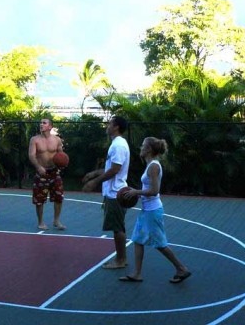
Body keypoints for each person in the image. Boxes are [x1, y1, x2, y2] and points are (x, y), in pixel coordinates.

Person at [118, 137, 191, 283]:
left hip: (153, 211)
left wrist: (136, 192)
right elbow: (148, 189)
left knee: (160, 244)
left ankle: (181, 269)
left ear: (149, 149)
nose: (141, 147)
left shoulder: (153, 167)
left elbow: (154, 190)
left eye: (143, 145)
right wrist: (135, 191)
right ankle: (137, 273)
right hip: (147, 210)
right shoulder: (150, 165)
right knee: (138, 240)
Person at [82, 116, 130, 269]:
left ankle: (121, 260)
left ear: (116, 127)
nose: (107, 126)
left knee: (117, 228)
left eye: (110, 123)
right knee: (118, 227)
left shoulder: (119, 145)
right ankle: (121, 258)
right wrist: (94, 173)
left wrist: (95, 182)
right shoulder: (116, 144)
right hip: (114, 191)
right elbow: (112, 167)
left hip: (116, 193)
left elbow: (115, 170)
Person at [28, 118, 66, 230]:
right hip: (41, 172)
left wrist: (61, 165)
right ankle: (40, 222)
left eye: (44, 123)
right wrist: (38, 166)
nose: (41, 124)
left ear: (50, 126)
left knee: (59, 197)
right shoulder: (34, 140)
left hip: (54, 172)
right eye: (40, 122)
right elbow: (31, 155)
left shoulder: (57, 140)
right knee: (39, 199)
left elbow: (61, 155)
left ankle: (56, 221)